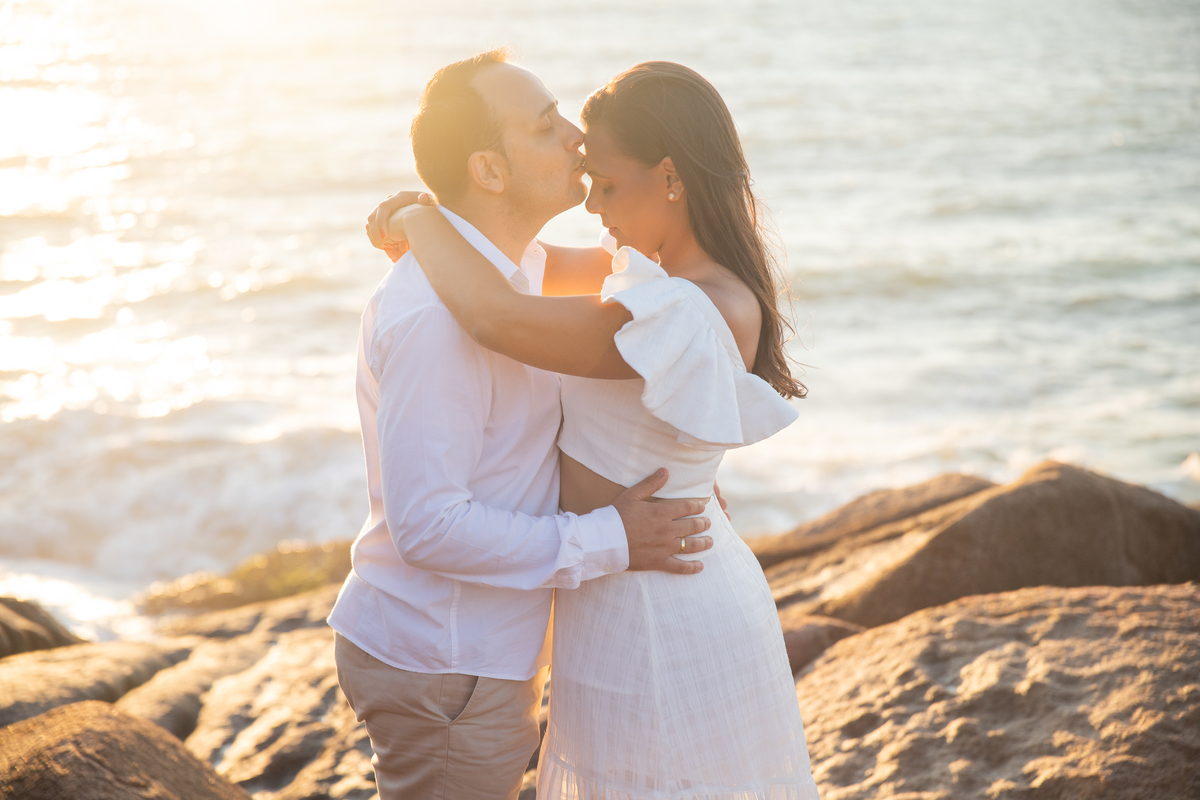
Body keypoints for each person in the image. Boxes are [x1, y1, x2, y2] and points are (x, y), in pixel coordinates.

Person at [375, 59, 821, 798]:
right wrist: (440, 226)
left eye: (609, 186)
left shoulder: (687, 309)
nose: (595, 205)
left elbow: (497, 315)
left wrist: (419, 218)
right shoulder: (656, 279)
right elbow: (524, 265)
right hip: (617, 585)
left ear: (670, 178)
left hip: (659, 608)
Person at [328, 50, 719, 800]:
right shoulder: (437, 321)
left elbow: (629, 280)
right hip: (445, 660)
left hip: (467, 652)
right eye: (546, 126)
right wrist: (612, 538)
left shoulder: (515, 267)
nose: (575, 136)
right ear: (490, 171)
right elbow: (429, 526)